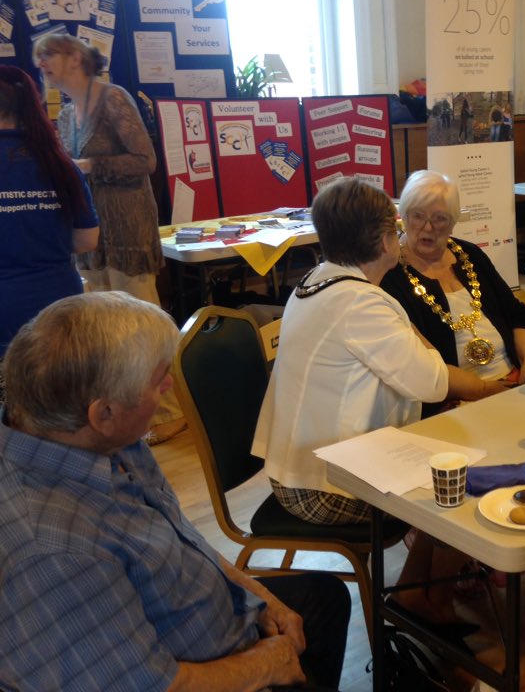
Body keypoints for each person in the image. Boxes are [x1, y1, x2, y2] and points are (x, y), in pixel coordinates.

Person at [0, 292, 351, 691]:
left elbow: (179, 537)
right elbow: (151, 686)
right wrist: (265, 664)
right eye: (158, 379)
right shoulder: (52, 553)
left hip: (199, 618)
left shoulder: (98, 440)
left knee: (324, 598)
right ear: (104, 413)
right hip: (187, 671)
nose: (168, 386)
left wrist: (258, 594)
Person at [254, 177, 492, 630]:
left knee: (449, 464)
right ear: (386, 240)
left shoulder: (320, 280)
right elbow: (432, 380)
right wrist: (495, 392)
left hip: (300, 465)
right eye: (398, 224)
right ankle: (431, 602)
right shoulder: (360, 303)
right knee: (462, 483)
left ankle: (419, 596)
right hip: (322, 486)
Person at [33, 32, 185, 442]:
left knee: (143, 325)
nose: (42, 64)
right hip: (91, 234)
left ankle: (170, 411)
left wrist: (88, 165)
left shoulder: (113, 98)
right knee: (106, 332)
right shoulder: (65, 116)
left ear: (74, 58)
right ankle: (126, 414)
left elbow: (145, 160)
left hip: (128, 228)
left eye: (48, 55)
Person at [382, 170, 525, 418]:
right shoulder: (390, 273)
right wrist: (484, 390)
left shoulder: (469, 254)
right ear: (402, 216)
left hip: (512, 384)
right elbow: (415, 363)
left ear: (454, 220)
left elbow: (518, 316)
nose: (428, 227)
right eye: (418, 216)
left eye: (440, 218)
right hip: (452, 403)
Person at [0, 65, 98, 402]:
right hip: (61, 308)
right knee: (62, 411)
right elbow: (87, 239)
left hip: (5, 313)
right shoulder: (60, 162)